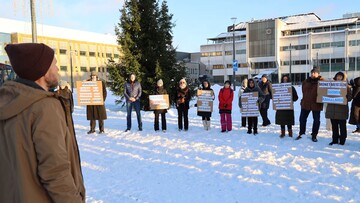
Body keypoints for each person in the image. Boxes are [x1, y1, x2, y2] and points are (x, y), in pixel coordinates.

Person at [0, 43, 85, 202]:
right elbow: (55, 172)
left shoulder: (7, 101)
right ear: (43, 71)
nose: (58, 68)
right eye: (54, 63)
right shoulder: (44, 107)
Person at [296, 66, 325, 142]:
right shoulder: (306, 82)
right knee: (302, 119)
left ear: (318, 74)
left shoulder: (322, 82)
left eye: (315, 73)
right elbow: (303, 91)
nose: (313, 74)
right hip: (306, 103)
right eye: (312, 73)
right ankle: (301, 133)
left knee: (316, 120)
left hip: (316, 104)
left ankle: (314, 135)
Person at [326, 72, 352, 145]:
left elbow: (350, 98)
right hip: (332, 109)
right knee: (334, 126)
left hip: (342, 110)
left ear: (343, 78)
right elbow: (324, 93)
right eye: (338, 76)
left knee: (342, 126)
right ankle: (334, 140)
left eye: (340, 77)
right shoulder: (330, 85)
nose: (338, 78)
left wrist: (346, 97)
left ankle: (342, 140)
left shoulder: (347, 86)